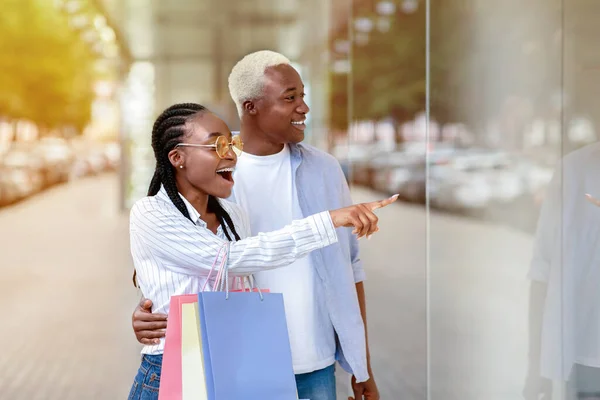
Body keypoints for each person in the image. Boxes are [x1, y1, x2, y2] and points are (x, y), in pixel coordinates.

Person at [132, 51, 384, 400]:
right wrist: (150, 308)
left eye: (303, 96)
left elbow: (350, 267)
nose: (303, 108)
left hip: (315, 363)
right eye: (290, 97)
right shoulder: (212, 175)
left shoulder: (323, 171)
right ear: (251, 106)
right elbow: (214, 258)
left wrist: (362, 363)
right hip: (237, 364)